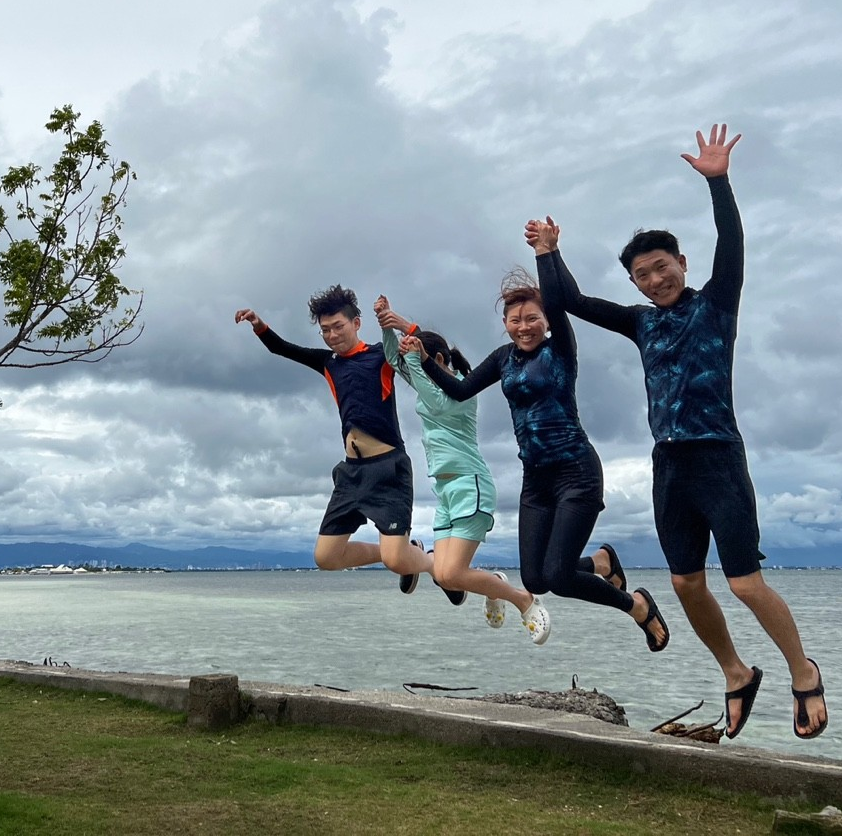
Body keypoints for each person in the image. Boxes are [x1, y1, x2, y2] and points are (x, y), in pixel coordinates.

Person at [529, 124, 827, 741]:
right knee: (686, 582)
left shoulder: (715, 303)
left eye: (662, 267)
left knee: (744, 581)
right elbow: (572, 301)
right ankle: (735, 672)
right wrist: (548, 251)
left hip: (718, 457)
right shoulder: (640, 323)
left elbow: (732, 243)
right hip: (670, 465)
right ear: (635, 282)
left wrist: (719, 182)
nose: (655, 279)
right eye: (643, 274)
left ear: (681, 264)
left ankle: (804, 671)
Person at [401, 269, 668, 652]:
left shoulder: (559, 349)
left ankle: (636, 605)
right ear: (505, 324)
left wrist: (545, 252)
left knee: (558, 577)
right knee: (535, 578)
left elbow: (559, 302)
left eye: (532, 318)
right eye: (515, 320)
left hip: (576, 472)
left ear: (546, 321)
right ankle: (602, 562)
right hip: (536, 482)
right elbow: (459, 390)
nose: (524, 327)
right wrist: (425, 360)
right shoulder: (503, 359)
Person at [372, 295, 551, 644]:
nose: (416, 370)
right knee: (445, 575)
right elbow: (394, 358)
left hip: (471, 486)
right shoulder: (427, 385)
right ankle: (493, 585)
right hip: (445, 493)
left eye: (423, 361)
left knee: (452, 572)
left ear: (437, 361)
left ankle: (523, 599)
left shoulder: (461, 391)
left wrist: (412, 346)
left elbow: (437, 401)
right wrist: (387, 325)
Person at [234, 285, 431, 588]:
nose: (332, 335)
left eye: (338, 326)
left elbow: (427, 349)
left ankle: (428, 562)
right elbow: (282, 348)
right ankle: (405, 551)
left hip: (388, 469)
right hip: (352, 473)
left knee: (396, 561)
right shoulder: (329, 363)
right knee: (326, 557)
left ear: (356, 323)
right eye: (325, 330)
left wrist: (397, 322)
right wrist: (259, 325)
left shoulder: (382, 356)